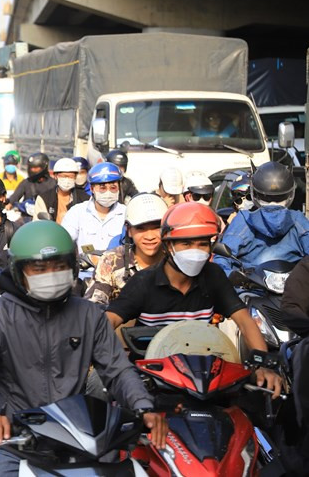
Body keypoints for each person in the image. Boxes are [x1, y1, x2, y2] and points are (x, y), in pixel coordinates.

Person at [0, 221, 167, 474]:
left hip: (78, 433)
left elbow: (117, 369)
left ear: (71, 268)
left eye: (59, 266)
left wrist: (143, 407)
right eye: (39, 268)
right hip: (13, 438)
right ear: (17, 271)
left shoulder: (89, 315)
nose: (50, 274)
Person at [106, 202, 283, 398]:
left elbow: (244, 320)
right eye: (186, 244)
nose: (195, 251)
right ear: (168, 246)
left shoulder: (213, 276)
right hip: (153, 383)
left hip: (206, 379)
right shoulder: (143, 282)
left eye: (203, 243)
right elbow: (108, 321)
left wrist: (263, 365)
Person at [214, 162, 309, 275]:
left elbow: (221, 259)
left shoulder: (244, 219)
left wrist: (230, 276)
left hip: (251, 288)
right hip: (290, 287)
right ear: (290, 193)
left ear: (254, 193)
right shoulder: (299, 220)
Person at [85, 193, 168, 304]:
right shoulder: (111, 260)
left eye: (156, 227)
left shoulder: (176, 258)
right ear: (128, 229)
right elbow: (93, 307)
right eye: (140, 228)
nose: (150, 236)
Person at [60, 162, 127, 251]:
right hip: (85, 264)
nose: (108, 192)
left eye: (113, 188)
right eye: (102, 188)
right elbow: (64, 241)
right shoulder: (77, 212)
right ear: (92, 189)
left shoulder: (127, 214)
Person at [7, 152, 56, 219]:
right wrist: (9, 204)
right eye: (31, 168)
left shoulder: (53, 184)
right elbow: (14, 197)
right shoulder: (26, 182)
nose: (33, 170)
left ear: (44, 167)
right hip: (27, 219)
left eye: (36, 168)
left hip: (47, 219)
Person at [47, 157, 90, 223]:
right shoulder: (46, 197)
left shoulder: (87, 198)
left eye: (70, 176)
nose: (67, 180)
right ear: (55, 176)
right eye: (63, 176)